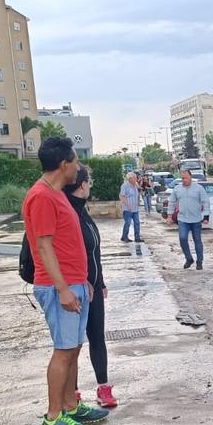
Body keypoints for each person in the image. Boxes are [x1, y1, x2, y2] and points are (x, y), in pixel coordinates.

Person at [22, 137, 110, 425]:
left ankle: (71, 406)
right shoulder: (42, 197)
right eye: (75, 162)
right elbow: (44, 247)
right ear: (64, 165)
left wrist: (81, 278)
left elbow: (64, 244)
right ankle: (53, 415)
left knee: (73, 348)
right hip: (59, 288)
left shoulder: (56, 193)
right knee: (63, 351)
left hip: (74, 283)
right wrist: (62, 289)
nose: (78, 168)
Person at [63, 164, 118, 409]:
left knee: (97, 337)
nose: (90, 186)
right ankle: (72, 391)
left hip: (93, 288)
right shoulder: (66, 211)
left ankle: (103, 388)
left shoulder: (82, 211)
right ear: (82, 184)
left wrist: (100, 281)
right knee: (72, 343)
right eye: (89, 182)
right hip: (74, 288)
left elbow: (94, 252)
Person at [170, 168, 210, 270]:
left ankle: (199, 261)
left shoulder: (199, 188)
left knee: (197, 240)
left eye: (186, 178)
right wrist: (169, 216)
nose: (184, 180)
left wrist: (206, 216)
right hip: (183, 219)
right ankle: (189, 258)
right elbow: (172, 202)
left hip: (196, 219)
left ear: (190, 177)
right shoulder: (177, 189)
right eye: (182, 178)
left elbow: (205, 202)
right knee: (182, 238)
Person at [119, 172, 142, 243]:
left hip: (135, 208)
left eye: (136, 178)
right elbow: (122, 196)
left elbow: (138, 193)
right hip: (127, 209)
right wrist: (128, 205)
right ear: (130, 178)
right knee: (128, 223)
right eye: (134, 178)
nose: (136, 179)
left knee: (137, 223)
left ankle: (137, 237)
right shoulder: (125, 186)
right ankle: (124, 237)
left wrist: (138, 201)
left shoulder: (135, 185)